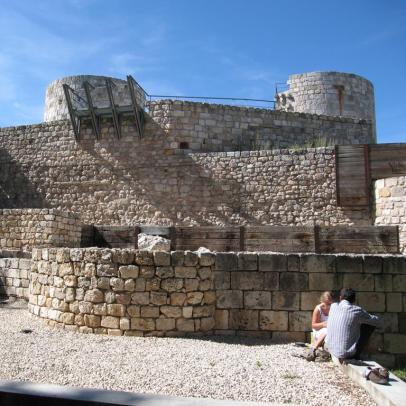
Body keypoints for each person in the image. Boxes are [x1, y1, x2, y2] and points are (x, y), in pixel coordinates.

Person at [326, 288, 381, 362]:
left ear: (340, 297)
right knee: (369, 325)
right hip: (345, 353)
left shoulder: (333, 307)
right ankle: (360, 353)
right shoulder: (356, 310)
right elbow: (377, 321)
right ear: (354, 300)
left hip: (331, 348)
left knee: (358, 321)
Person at [306, 291, 332, 361]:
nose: (328, 305)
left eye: (329, 303)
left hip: (330, 330)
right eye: (326, 303)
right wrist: (323, 324)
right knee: (326, 331)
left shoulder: (333, 308)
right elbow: (314, 325)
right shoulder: (318, 309)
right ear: (322, 301)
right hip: (318, 330)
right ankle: (314, 349)